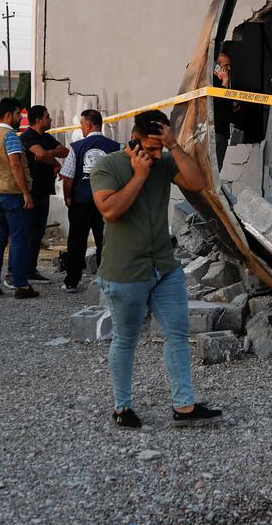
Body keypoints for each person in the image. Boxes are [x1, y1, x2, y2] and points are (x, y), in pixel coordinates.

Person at [91, 109, 219, 429]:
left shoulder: (164, 159)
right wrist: (138, 176)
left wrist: (174, 146)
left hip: (164, 267)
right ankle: (122, 407)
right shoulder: (108, 166)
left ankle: (184, 407)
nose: (156, 154)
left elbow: (197, 181)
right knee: (126, 339)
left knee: (177, 334)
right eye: (151, 148)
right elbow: (109, 211)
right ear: (134, 140)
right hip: (125, 272)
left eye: (160, 147)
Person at [0, 96, 36, 298]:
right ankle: (21, 284)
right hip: (12, 193)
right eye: (19, 114)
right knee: (19, 239)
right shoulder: (10, 136)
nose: (21, 119)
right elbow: (15, 165)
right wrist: (26, 193)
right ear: (8, 114)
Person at [59, 109, 118, 293]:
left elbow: (68, 176)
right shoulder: (115, 147)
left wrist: (68, 197)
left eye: (82, 125)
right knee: (106, 242)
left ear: (88, 125)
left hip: (81, 201)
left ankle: (72, 281)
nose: (81, 129)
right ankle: (106, 281)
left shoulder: (76, 147)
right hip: (107, 202)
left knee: (77, 242)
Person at [18, 105, 67, 282]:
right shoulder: (27, 137)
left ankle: (31, 269)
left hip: (44, 191)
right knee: (28, 232)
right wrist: (56, 163)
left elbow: (65, 150)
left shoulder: (45, 137)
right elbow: (40, 154)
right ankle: (20, 270)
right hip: (31, 192)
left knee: (38, 232)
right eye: (47, 116)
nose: (50, 119)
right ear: (38, 119)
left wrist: (50, 153)